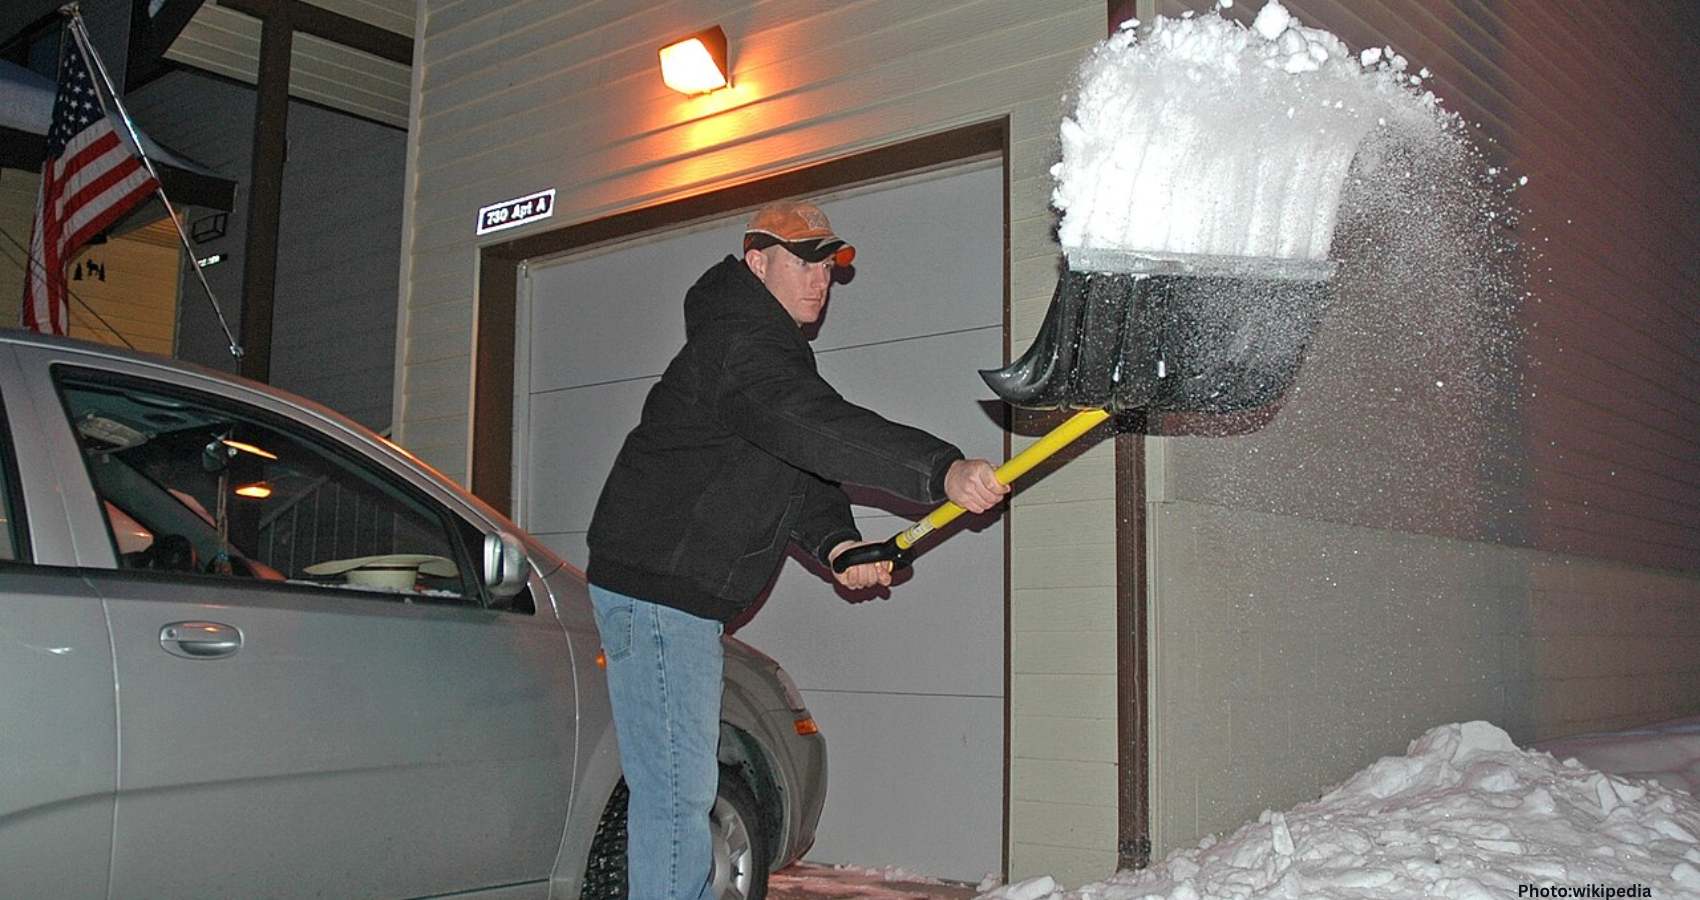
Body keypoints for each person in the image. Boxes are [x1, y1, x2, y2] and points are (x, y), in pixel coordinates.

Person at [584, 199, 1008, 898]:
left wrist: (838, 545)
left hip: (675, 597)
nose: (821, 280)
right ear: (757, 262)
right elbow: (814, 427)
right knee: (675, 793)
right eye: (804, 262)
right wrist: (941, 470)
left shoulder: (765, 350)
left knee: (680, 788)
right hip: (658, 593)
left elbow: (798, 465)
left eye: (829, 266)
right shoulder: (740, 348)